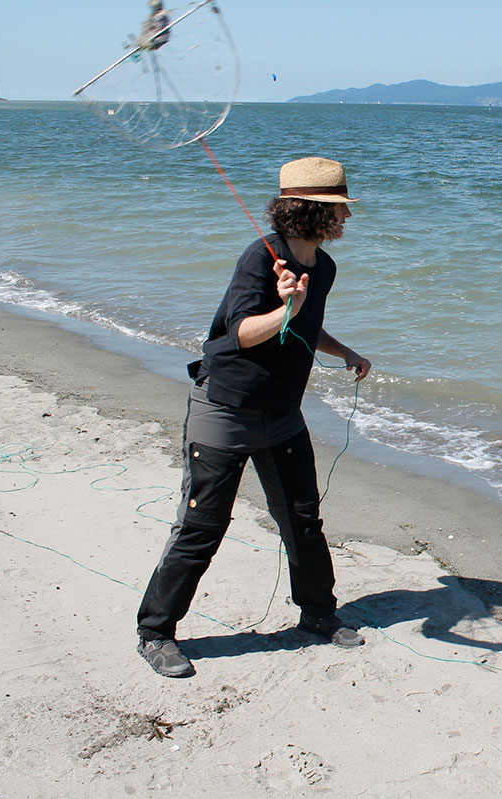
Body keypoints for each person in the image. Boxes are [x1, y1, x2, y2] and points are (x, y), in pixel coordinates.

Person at [136, 156, 373, 678]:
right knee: (202, 526)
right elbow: (240, 332)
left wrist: (345, 352)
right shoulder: (258, 259)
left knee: (303, 521)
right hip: (226, 409)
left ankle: (317, 614)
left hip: (283, 412)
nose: (347, 219)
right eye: (339, 210)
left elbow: (306, 328)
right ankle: (155, 632)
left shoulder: (323, 268)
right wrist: (284, 309)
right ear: (310, 210)